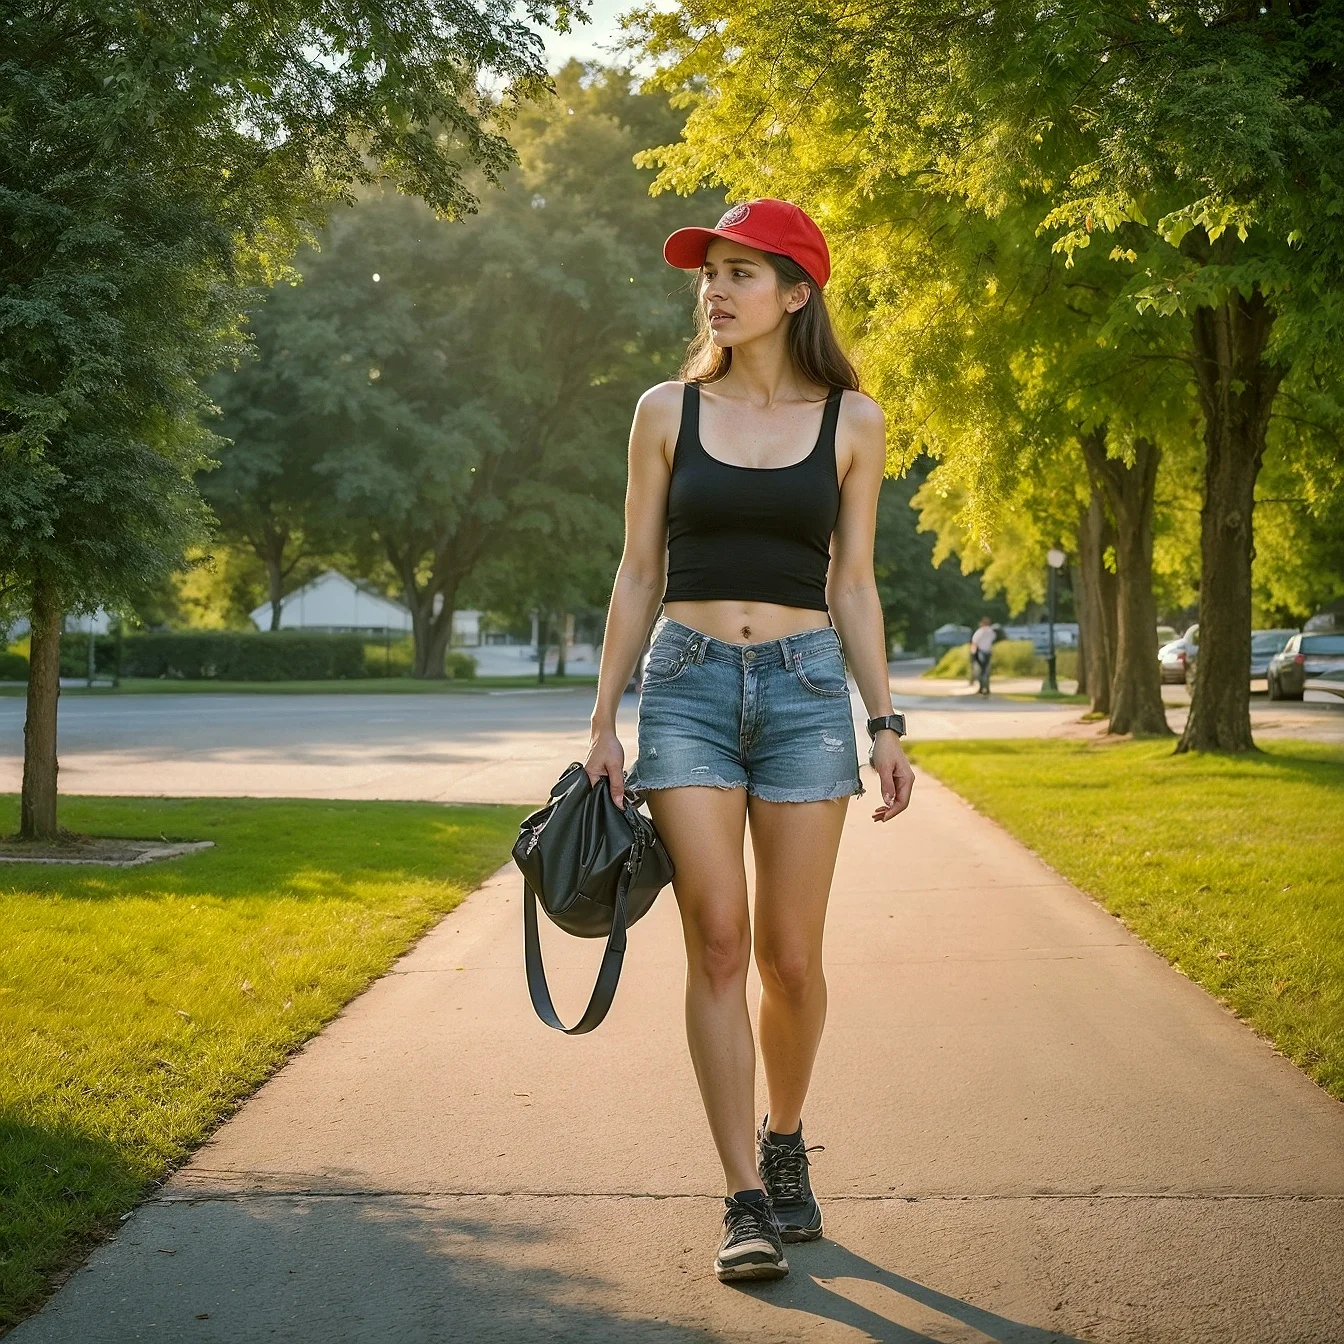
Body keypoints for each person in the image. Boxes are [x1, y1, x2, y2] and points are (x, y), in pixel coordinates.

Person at [584, 198, 915, 1283]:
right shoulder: (664, 410)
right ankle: (741, 1200)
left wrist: (886, 722)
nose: (716, 290)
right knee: (718, 942)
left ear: (797, 292)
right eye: (708, 274)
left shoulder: (853, 423)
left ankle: (785, 1140)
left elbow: (853, 584)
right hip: (683, 686)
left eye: (740, 273)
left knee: (791, 958)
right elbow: (637, 572)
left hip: (808, 689)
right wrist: (604, 724)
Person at [969, 617, 997, 695]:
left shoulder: (980, 631)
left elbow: (974, 642)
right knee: (986, 671)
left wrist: (972, 654)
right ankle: (987, 688)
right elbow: (993, 640)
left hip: (980, 652)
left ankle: (981, 687)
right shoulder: (991, 632)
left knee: (980, 671)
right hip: (988, 652)